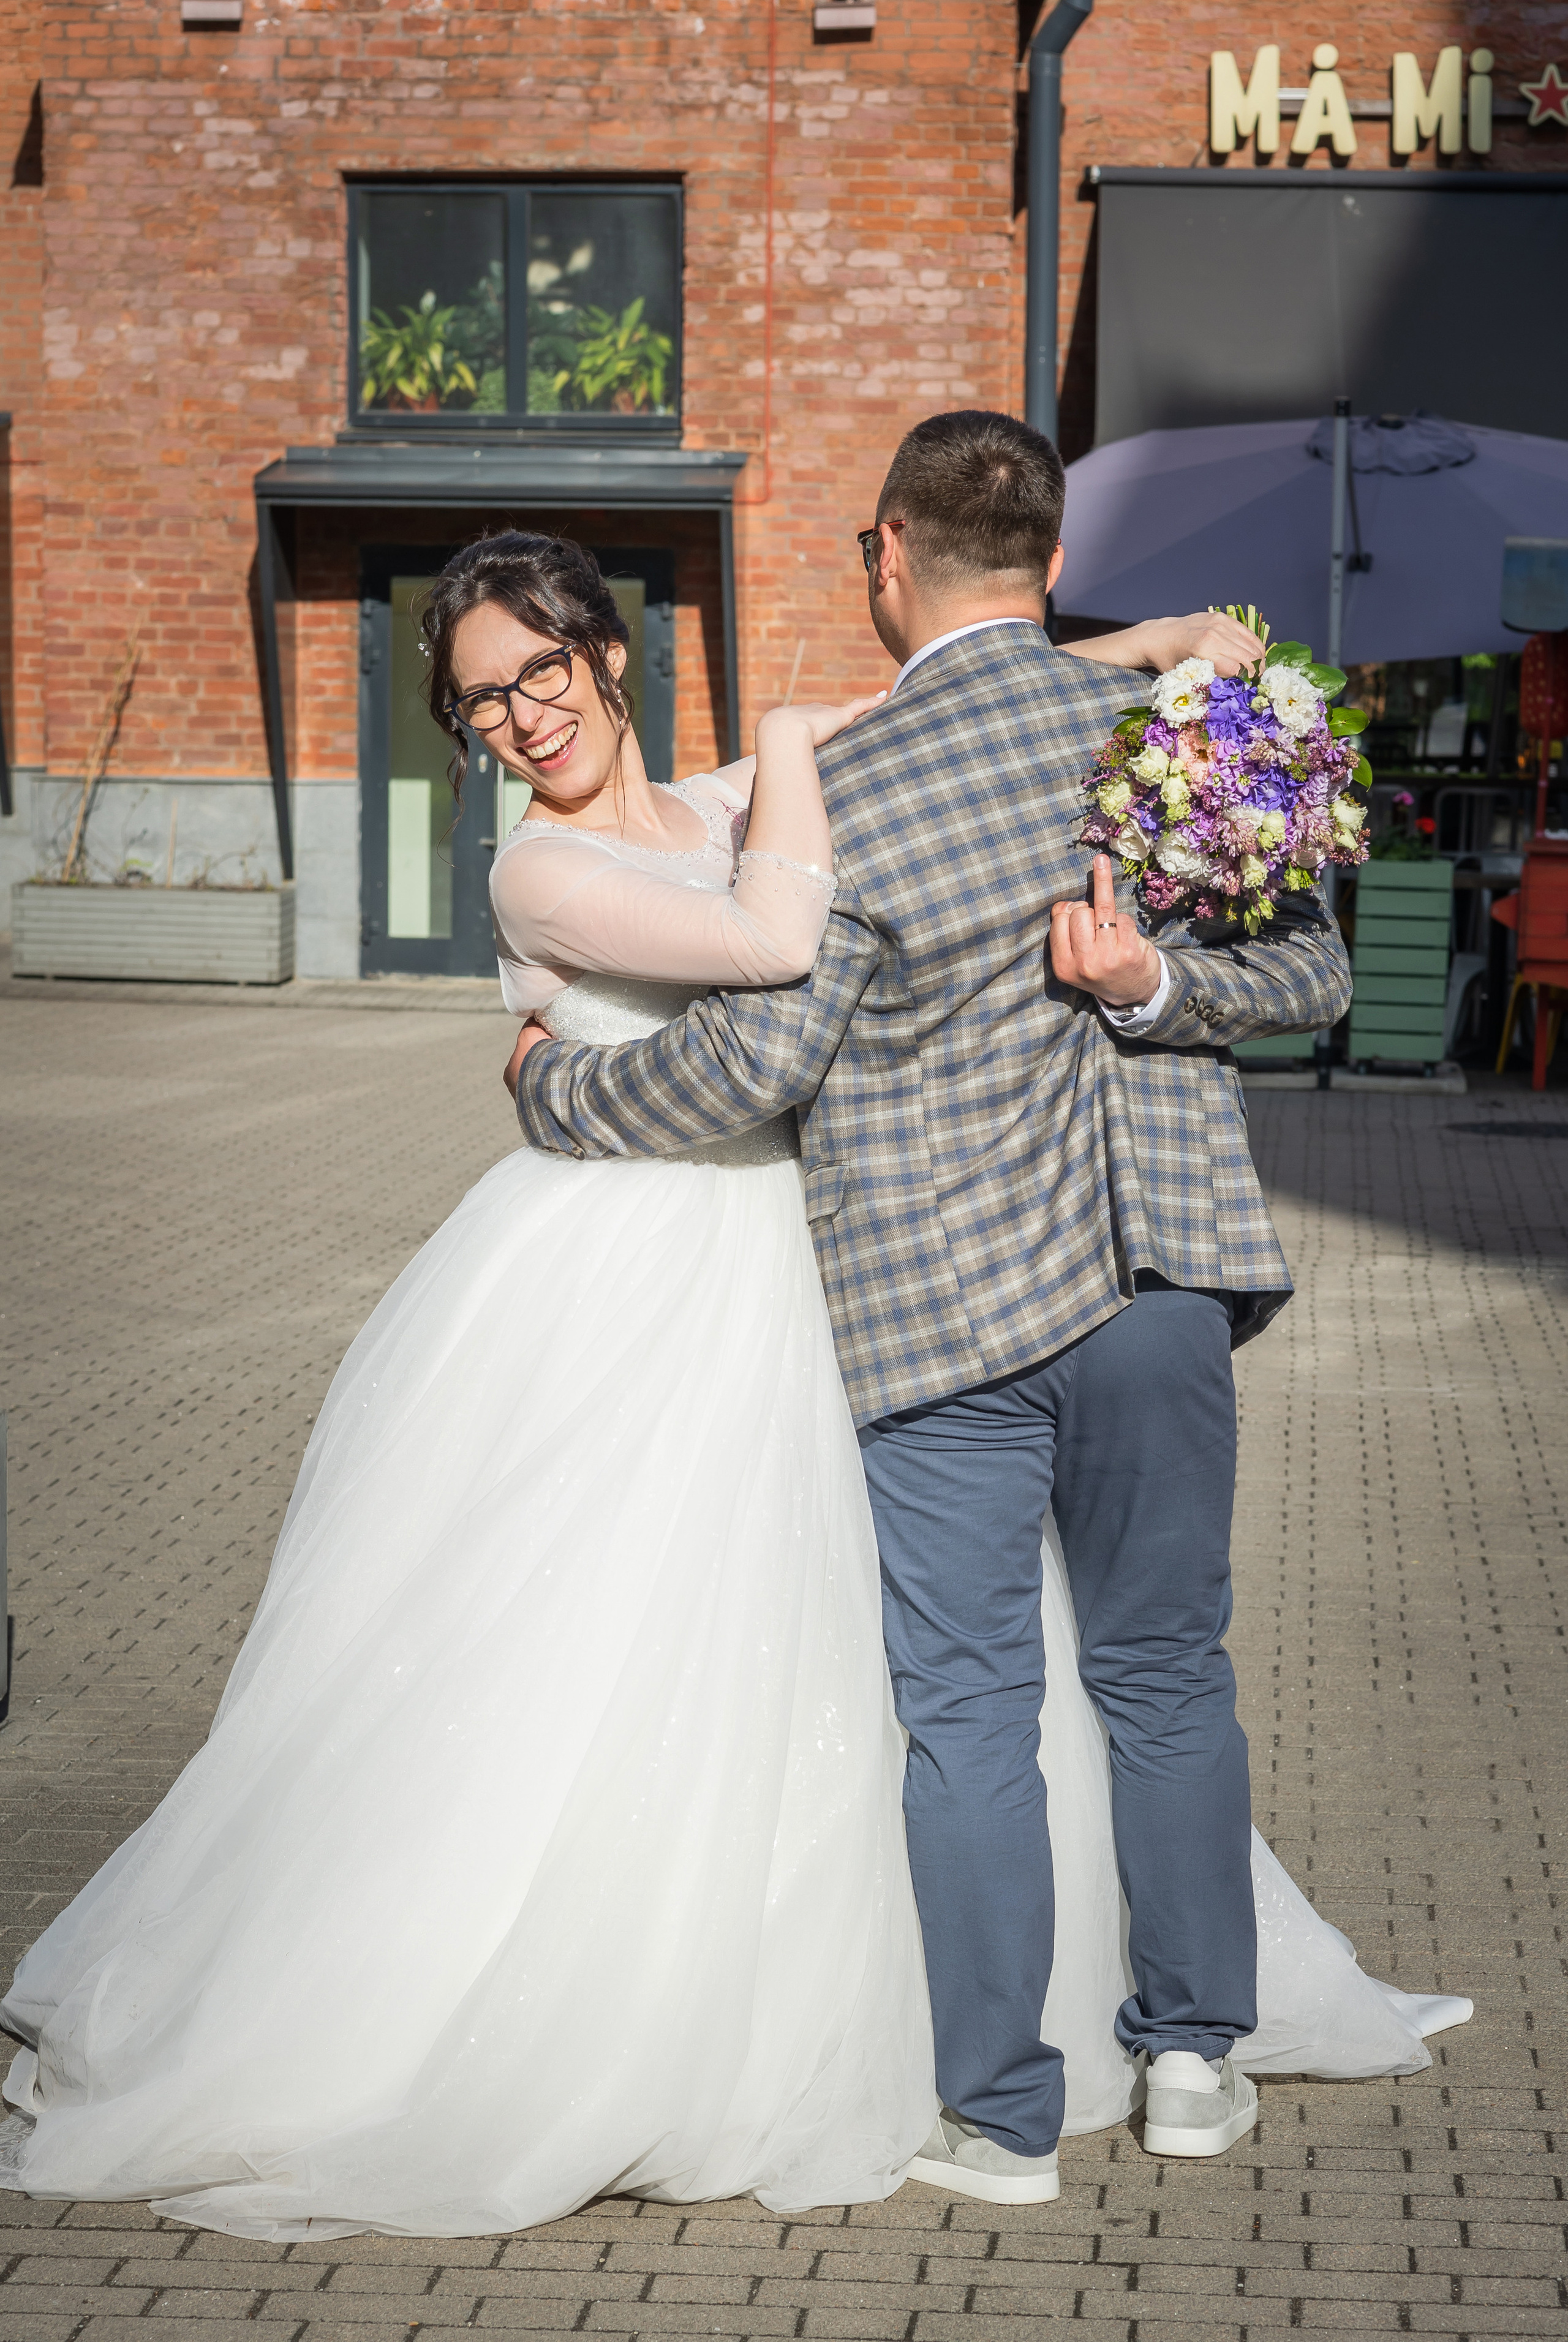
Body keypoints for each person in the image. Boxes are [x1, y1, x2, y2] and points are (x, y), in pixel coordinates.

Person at [0, 516, 1464, 2243]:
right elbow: (780, 940)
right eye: (483, 704)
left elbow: (932, 707)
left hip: (798, 1268)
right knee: (616, 1634)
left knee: (869, 1657)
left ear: (601, 655)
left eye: (541, 670)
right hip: (621, 1275)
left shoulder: (704, 798)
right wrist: (761, 784)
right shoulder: (538, 873)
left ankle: (977, 2015)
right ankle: (599, 2003)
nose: (525, 717)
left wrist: (1134, 651)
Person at [503, 413, 1471, 2205]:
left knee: (969, 1712)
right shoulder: (1174, 734)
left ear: (886, 556)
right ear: (1048, 560)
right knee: (1168, 1674)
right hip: (1159, 1281)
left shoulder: (840, 794)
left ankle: (1003, 2121)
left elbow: (763, 1055)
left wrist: (559, 1090)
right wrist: (1156, 976)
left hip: (934, 1311)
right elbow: (1324, 966)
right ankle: (1193, 2062)